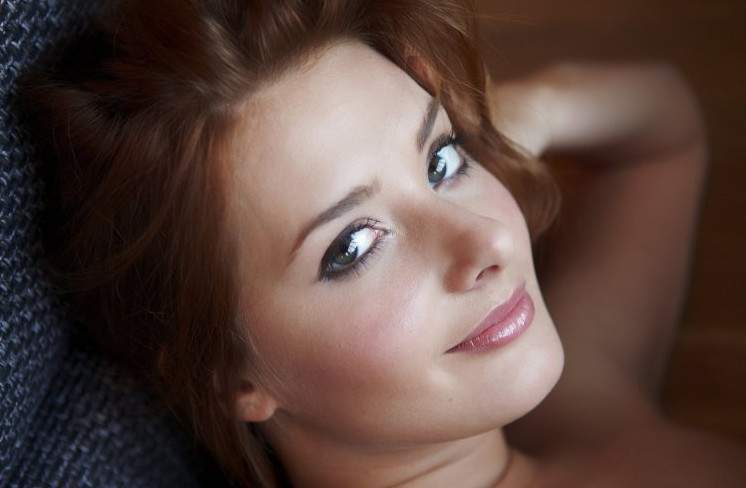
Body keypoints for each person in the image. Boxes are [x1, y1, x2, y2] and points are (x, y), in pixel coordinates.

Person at [21, 0, 746, 486]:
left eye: (443, 161)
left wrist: (515, 116)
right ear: (228, 374)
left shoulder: (575, 414)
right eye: (354, 246)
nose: (488, 242)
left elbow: (661, 135)